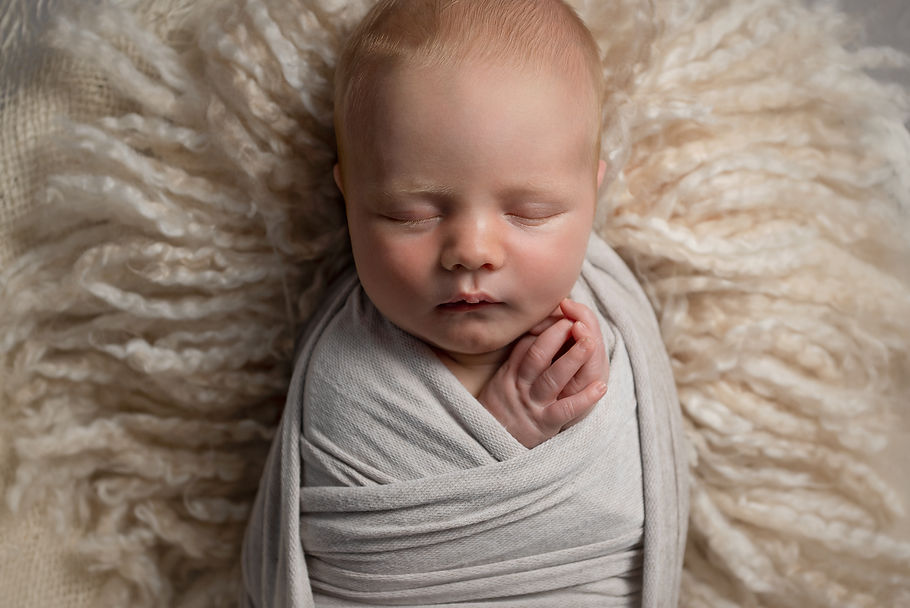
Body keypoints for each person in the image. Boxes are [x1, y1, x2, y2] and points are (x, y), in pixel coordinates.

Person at [241, 1, 687, 606]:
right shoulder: (347, 375)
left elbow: (624, 504)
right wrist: (508, 425)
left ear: (592, 192)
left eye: (530, 213)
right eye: (410, 215)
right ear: (349, 199)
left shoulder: (607, 333)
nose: (471, 251)